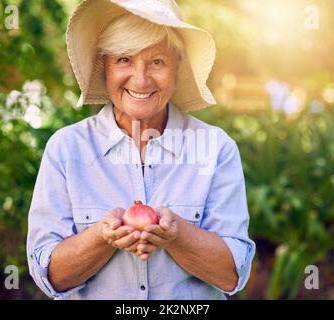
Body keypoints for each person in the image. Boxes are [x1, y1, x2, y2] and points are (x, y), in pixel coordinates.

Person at [27, 0, 255, 300]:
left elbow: (231, 275)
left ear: (177, 66)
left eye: (157, 61)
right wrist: (101, 237)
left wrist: (178, 235)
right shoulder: (67, 149)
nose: (141, 78)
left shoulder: (216, 149)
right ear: (104, 66)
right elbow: (51, 277)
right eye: (124, 59)